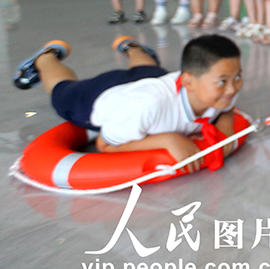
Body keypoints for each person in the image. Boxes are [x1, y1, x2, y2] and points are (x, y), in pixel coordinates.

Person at [14, 34, 242, 171]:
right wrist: (168, 139)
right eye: (223, 82)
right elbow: (104, 144)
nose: (233, 88)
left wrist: (225, 129)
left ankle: (133, 47)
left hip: (152, 81)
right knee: (62, 91)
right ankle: (46, 58)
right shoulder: (146, 107)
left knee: (149, 71)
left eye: (238, 77)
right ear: (189, 82)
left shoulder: (223, 90)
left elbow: (227, 109)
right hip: (103, 95)